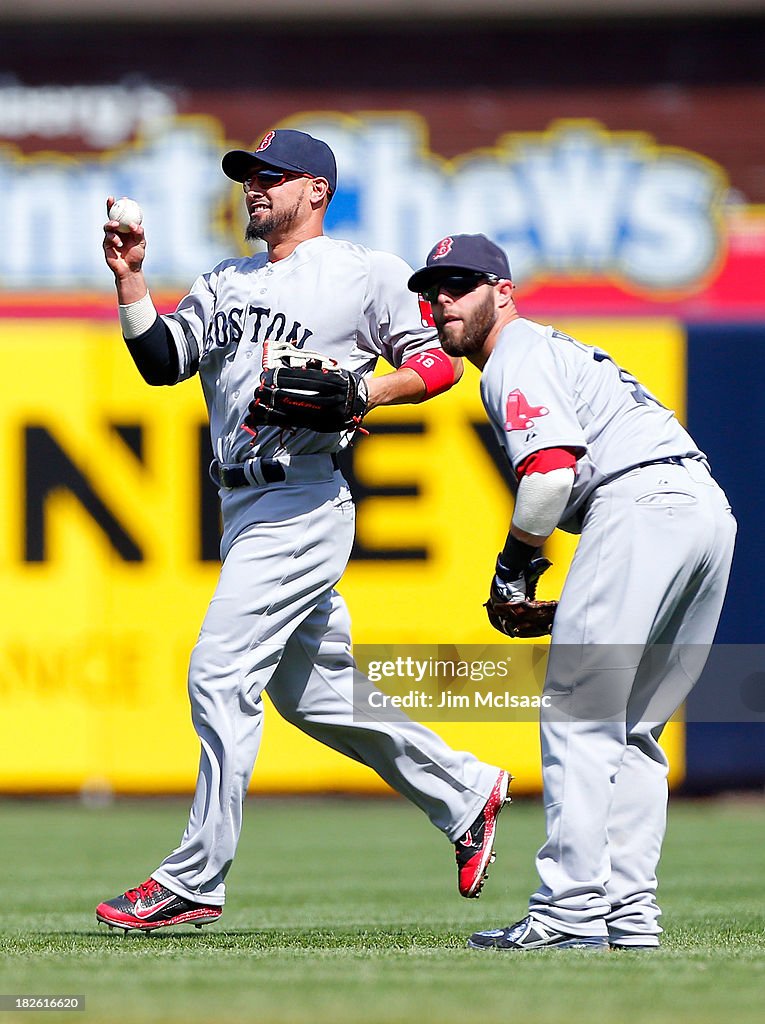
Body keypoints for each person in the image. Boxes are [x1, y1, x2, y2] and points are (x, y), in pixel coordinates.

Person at [95, 132, 510, 933]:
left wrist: (358, 392)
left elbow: (437, 367)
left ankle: (194, 879)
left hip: (304, 499)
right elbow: (161, 360)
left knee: (219, 673)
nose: (253, 187)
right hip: (243, 504)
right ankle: (465, 792)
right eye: (248, 176)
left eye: (270, 177)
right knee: (314, 694)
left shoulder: (363, 272)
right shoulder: (225, 280)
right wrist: (132, 278)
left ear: (314, 190)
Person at [407, 233, 736, 951]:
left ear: (503, 289)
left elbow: (552, 473)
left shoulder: (515, 356)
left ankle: (569, 914)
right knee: (633, 729)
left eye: (459, 284)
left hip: (638, 504)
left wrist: (512, 567)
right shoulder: (553, 350)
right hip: (703, 511)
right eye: (430, 290)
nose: (440, 301)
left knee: (580, 718)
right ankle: (626, 914)